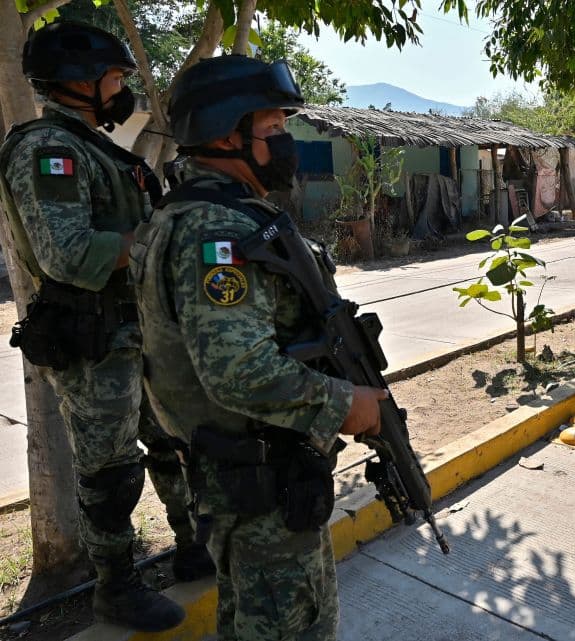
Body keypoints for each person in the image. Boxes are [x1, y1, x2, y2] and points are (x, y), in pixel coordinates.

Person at [132, 54, 388, 640]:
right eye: (273, 130)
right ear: (227, 135)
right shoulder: (214, 232)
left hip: (265, 472)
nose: (288, 143)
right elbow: (240, 371)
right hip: (260, 485)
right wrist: (346, 404)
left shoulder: (217, 214)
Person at [0, 22, 213, 631]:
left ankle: (194, 545)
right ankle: (117, 586)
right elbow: (67, 254)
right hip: (93, 341)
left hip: (136, 331)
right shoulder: (49, 151)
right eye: (117, 78)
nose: (125, 89)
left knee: (172, 444)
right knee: (111, 473)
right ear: (79, 83)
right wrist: (158, 240)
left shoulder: (94, 146)